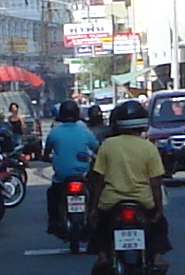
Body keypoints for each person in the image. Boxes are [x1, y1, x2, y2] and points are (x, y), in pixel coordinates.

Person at [89, 102, 170, 265]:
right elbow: (155, 182)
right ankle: (157, 257)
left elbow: (98, 179)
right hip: (143, 202)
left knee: (99, 225)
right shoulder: (149, 148)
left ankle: (103, 257)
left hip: (111, 202)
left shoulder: (107, 145)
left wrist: (93, 207)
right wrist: (158, 209)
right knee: (160, 225)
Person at [42, 100, 100, 236]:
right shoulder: (85, 132)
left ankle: (53, 222)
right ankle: (94, 218)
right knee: (95, 194)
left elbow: (46, 153)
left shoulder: (54, 133)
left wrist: (47, 158)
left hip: (62, 178)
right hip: (83, 176)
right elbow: (97, 149)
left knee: (52, 195)